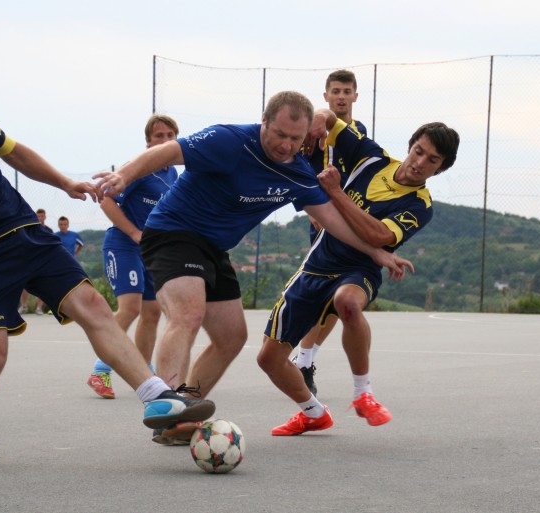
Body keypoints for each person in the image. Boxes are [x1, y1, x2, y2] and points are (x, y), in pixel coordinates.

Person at [0, 42, 214, 468]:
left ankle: (157, 398)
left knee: (92, 306)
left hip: (28, 232)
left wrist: (65, 183)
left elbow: (13, 151)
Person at [92, 91, 412, 445]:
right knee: (188, 314)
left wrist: (377, 253)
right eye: (280, 134)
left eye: (296, 139)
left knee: (232, 338)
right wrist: (123, 174)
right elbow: (169, 152)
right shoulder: (229, 140)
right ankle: (166, 408)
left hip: (213, 248)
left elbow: (331, 219)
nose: (287, 145)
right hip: (173, 231)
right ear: (264, 122)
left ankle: (185, 412)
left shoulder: (298, 172)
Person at [257, 109, 460, 436]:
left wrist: (336, 192)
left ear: (440, 169)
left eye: (432, 160)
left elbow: (378, 236)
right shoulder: (372, 158)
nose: (420, 162)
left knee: (348, 303)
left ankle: (363, 393)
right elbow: (328, 118)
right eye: (419, 151)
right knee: (268, 359)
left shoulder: (420, 206)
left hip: (359, 268)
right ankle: (313, 413)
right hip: (317, 265)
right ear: (410, 146)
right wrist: (320, 119)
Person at [87, 114, 180, 403]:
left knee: (152, 312)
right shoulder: (138, 169)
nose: (164, 141)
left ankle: (143, 374)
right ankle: (100, 371)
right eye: (158, 136)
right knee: (130, 308)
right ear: (148, 141)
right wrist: (134, 232)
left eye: (169, 135)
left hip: (152, 251)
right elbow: (106, 199)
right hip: (123, 245)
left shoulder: (172, 175)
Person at [296, 69, 368, 396]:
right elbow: (298, 167)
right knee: (321, 298)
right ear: (325, 96)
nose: (341, 96)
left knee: (340, 300)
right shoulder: (316, 128)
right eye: (335, 91)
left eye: (347, 91)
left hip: (353, 223)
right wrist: (313, 209)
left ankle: (305, 358)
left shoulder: (358, 132)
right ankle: (300, 357)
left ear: (355, 96)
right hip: (325, 222)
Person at [20, 208, 50, 315]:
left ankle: (39, 308)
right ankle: (24, 306)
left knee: (43, 285)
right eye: (38, 216)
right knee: (25, 284)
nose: (40, 218)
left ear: (45, 217)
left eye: (42, 216)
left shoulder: (49, 231)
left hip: (43, 261)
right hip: (29, 260)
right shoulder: (28, 229)